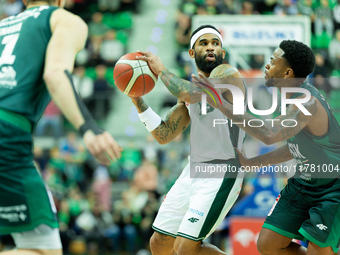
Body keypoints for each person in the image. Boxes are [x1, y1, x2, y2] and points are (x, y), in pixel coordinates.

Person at [193, 40, 340, 254]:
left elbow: (270, 134)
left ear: (288, 72)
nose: (267, 66)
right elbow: (296, 148)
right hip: (304, 183)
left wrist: (219, 102)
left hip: (332, 188)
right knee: (268, 245)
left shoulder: (307, 103)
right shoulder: (288, 98)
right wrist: (255, 162)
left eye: (272, 61)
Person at [0, 1, 122, 255]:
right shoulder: (63, 19)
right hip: (7, 131)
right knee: (43, 250)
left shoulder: (3, 26)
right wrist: (88, 127)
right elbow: (55, 73)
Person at [130, 25, 246, 255]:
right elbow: (164, 135)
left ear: (222, 53)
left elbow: (188, 93)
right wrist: (137, 101)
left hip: (222, 171)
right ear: (192, 53)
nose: (211, 47)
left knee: (186, 247)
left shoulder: (228, 75)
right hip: (193, 171)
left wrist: (161, 70)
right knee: (160, 243)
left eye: (216, 43)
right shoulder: (189, 90)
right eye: (204, 43)